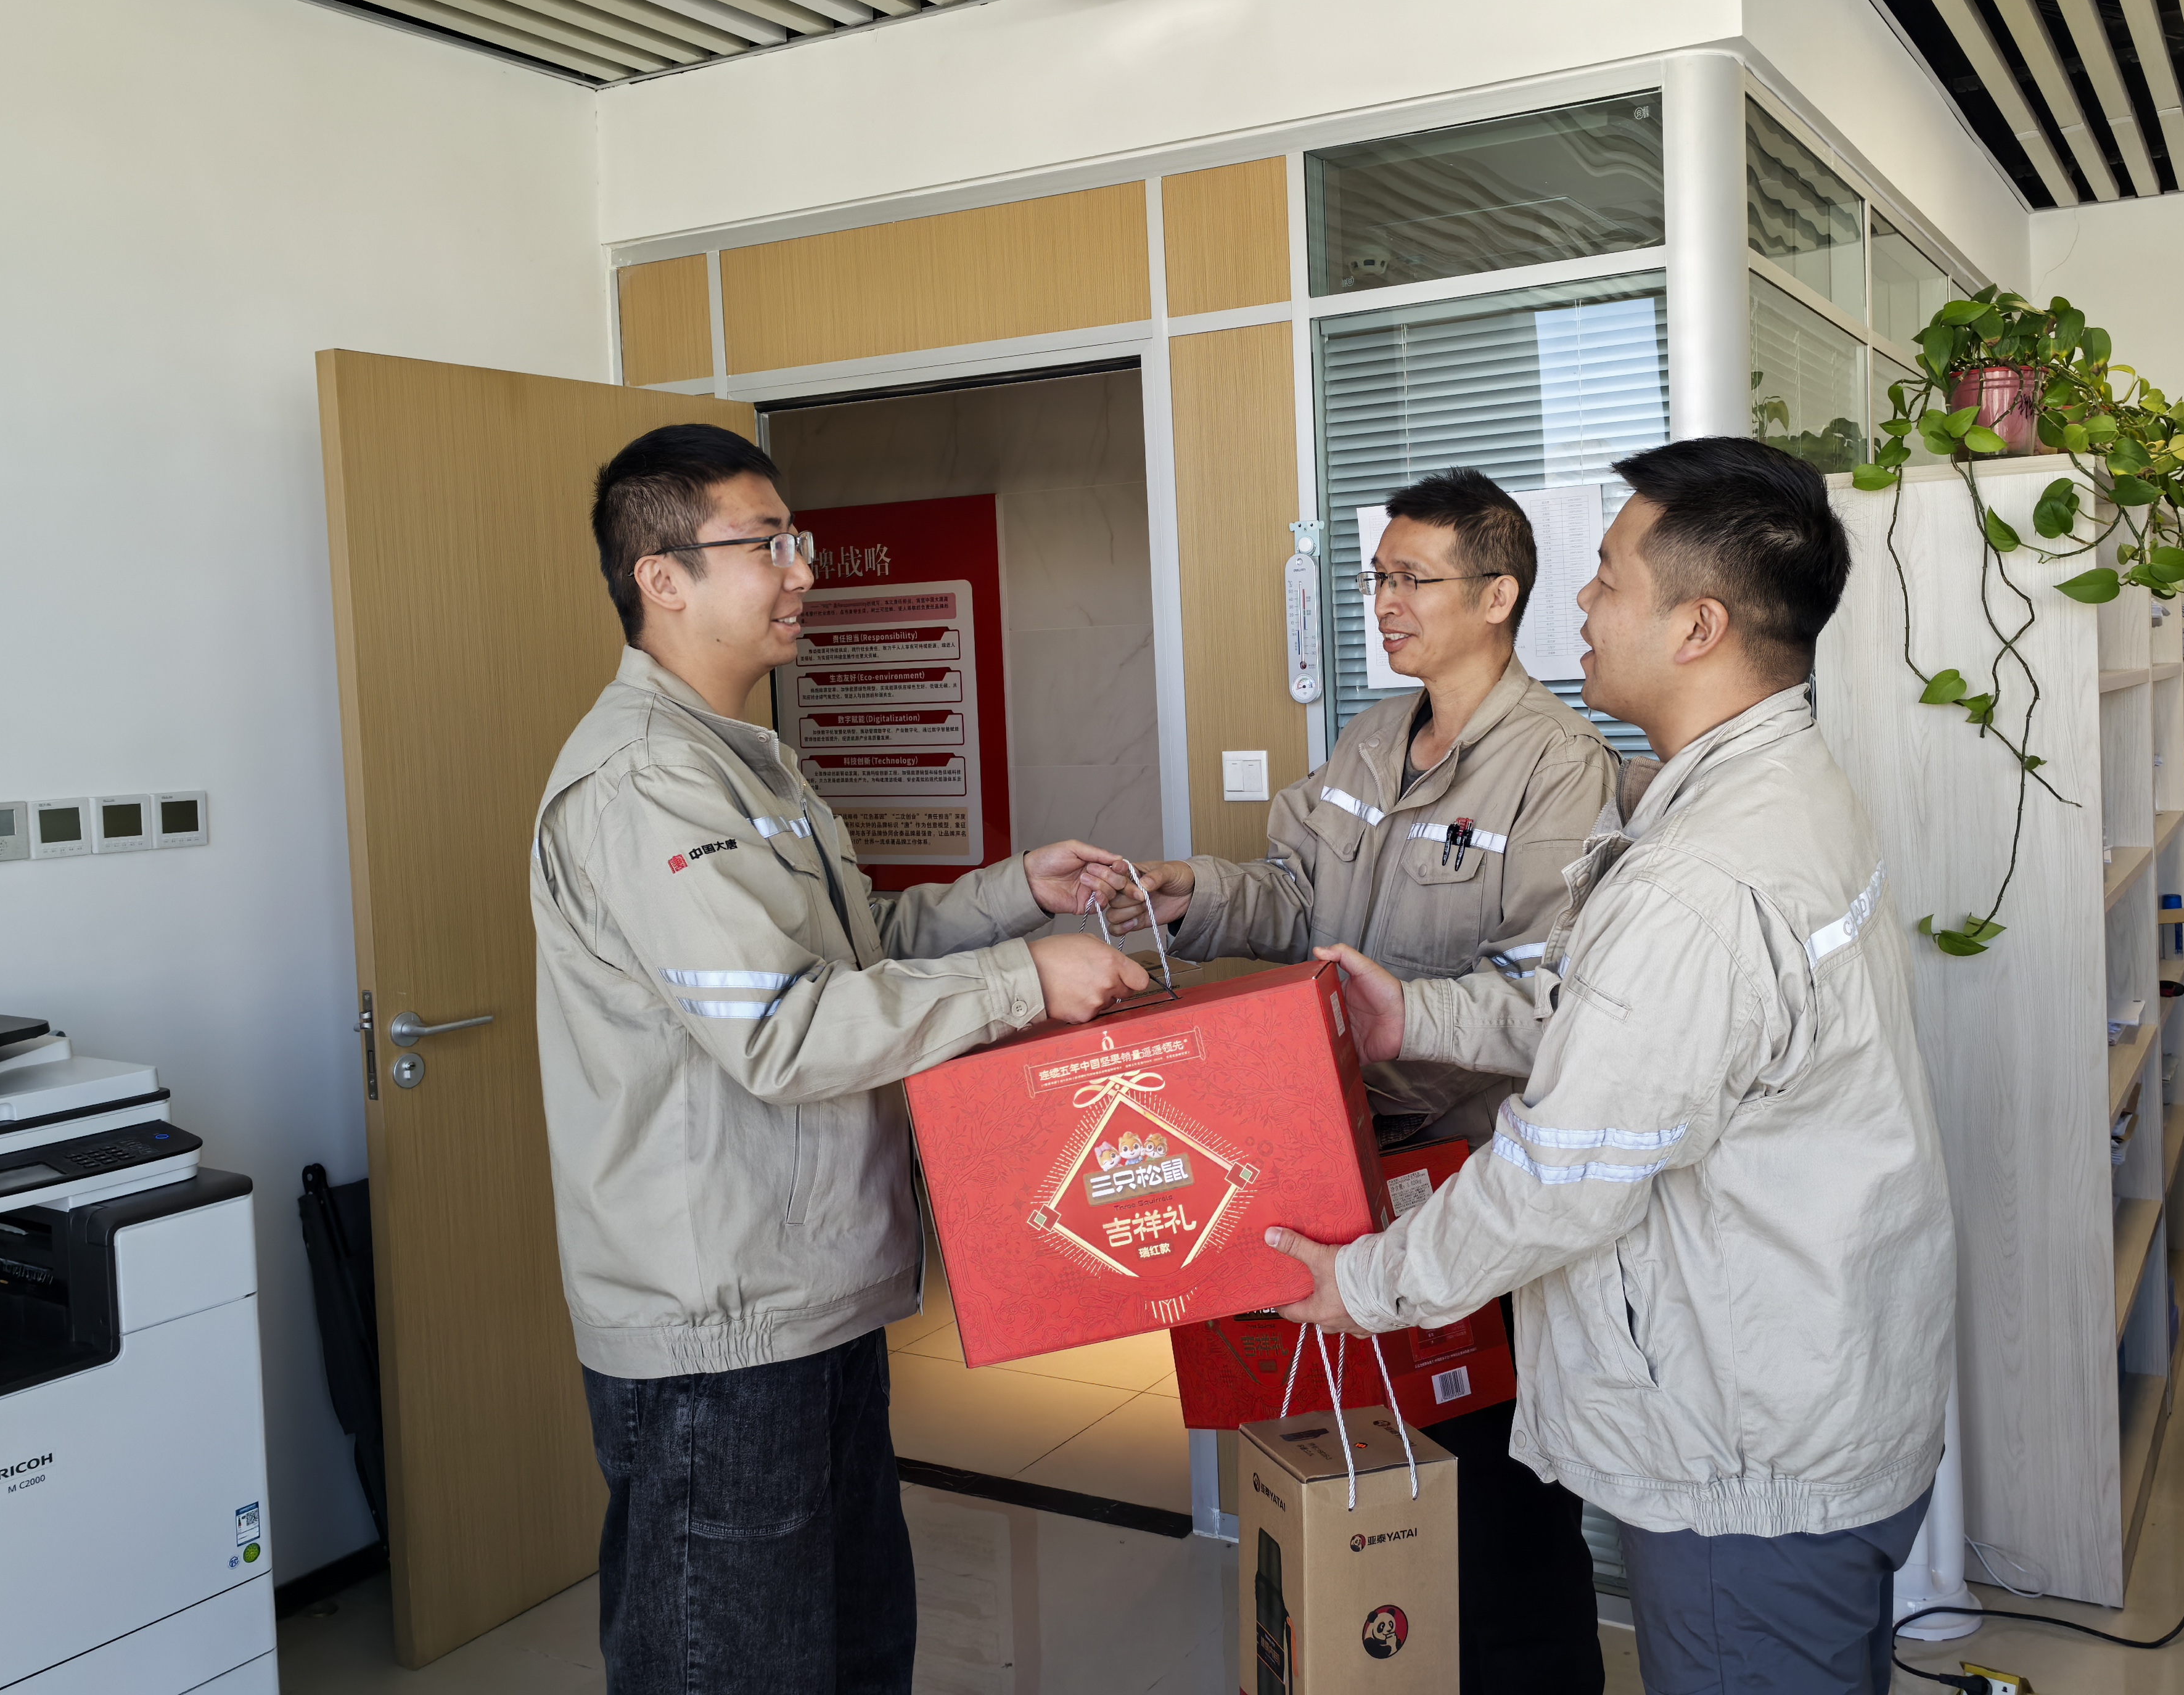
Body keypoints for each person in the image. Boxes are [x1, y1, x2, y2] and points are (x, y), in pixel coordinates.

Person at [1267, 437, 1957, 1694]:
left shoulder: (1698, 873)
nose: (1577, 604)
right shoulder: (1768, 789)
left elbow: (1562, 1174)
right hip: (1810, 1385)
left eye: (1605, 577)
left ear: (1698, 627)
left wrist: (1358, 1283)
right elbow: (1619, 1025)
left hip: (1747, 1445)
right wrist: (1412, 1018)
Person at [530, 424, 1154, 1694]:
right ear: (663, 577)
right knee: (736, 1667)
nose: (803, 570)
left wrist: (1011, 898)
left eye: (796, 539)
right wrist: (1021, 983)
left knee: (856, 1652)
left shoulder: (747, 762)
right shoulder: (647, 783)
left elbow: (856, 953)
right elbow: (783, 1029)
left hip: (811, 1293)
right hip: (721, 1329)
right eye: (768, 544)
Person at [1126, 467, 1617, 1695]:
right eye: (1376, 577)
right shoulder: (1367, 739)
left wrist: (1402, 1013)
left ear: (1498, 595)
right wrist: (1195, 894)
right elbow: (1295, 896)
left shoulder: (1558, 767)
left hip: (1471, 1183)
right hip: (1345, 1159)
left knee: (1495, 1495)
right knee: (1379, 1475)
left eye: (1412, 579)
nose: (1385, 602)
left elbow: (1549, 995)